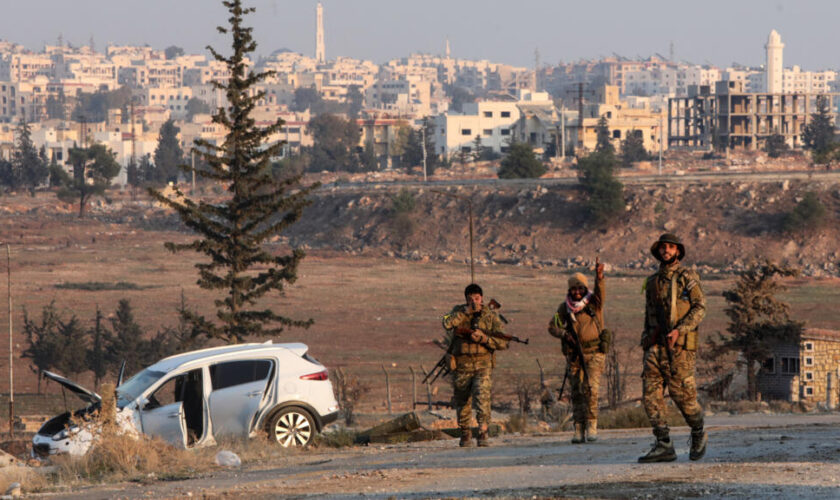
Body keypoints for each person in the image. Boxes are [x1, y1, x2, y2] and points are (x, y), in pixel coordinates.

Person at [638, 233, 707, 463]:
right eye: (663, 247)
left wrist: (681, 329)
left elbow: (699, 307)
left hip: (679, 347)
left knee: (683, 397)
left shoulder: (687, 277)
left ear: (678, 251)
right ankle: (663, 443)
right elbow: (649, 314)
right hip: (655, 347)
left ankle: (698, 432)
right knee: (651, 396)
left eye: (670, 247)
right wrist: (646, 338)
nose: (666, 250)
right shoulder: (652, 281)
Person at [548, 258, 609, 443]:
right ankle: (578, 427)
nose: (577, 292)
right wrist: (564, 334)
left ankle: (591, 425)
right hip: (574, 355)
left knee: (591, 389)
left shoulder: (593, 304)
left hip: (594, 353)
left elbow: (601, 292)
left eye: (580, 288)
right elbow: (552, 326)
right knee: (576, 392)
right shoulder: (564, 309)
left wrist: (599, 276)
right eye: (574, 289)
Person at [441, 283, 509, 447]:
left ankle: (483, 430)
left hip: (482, 364)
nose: (474, 302)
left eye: (477, 299)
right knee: (462, 401)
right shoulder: (458, 311)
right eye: (470, 299)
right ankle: (465, 433)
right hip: (462, 365)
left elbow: (503, 342)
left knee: (482, 396)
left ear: (482, 298)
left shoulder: (490, 315)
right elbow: (446, 323)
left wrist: (485, 340)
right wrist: (465, 312)